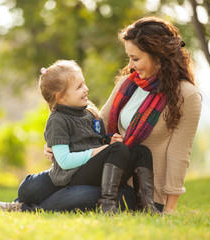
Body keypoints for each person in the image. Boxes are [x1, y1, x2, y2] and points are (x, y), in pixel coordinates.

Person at [38, 16, 201, 214]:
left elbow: (179, 154)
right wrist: (58, 145)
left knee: (80, 196)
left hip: (145, 192)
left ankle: (24, 208)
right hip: (108, 174)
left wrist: (170, 207)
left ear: (157, 56)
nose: (131, 65)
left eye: (136, 58)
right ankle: (23, 202)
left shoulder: (186, 95)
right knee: (36, 186)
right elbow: (98, 125)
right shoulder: (128, 84)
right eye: (129, 58)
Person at [0, 60, 154, 213]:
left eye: (84, 84)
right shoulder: (58, 120)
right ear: (61, 97)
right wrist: (102, 150)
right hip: (74, 174)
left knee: (141, 151)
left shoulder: (91, 113)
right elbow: (65, 161)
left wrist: (107, 140)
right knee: (53, 191)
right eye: (79, 87)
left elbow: (94, 140)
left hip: (94, 172)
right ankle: (106, 205)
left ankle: (146, 205)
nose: (86, 89)